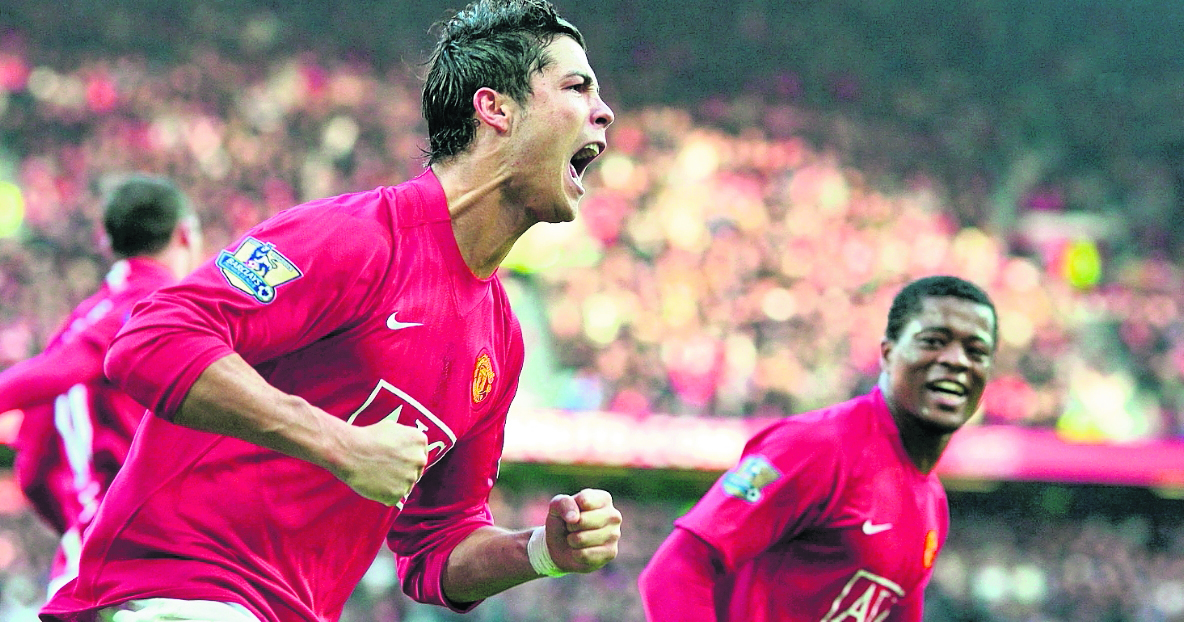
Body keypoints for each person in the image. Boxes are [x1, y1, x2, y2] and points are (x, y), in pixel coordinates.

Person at [40, 1, 619, 621]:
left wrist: (541, 552)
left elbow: (436, 545)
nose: (604, 111)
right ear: (495, 109)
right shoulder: (356, 237)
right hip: (176, 593)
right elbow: (152, 339)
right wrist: (340, 445)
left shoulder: (500, 342)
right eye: (576, 86)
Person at [638, 275, 998, 622]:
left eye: (976, 351)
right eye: (933, 341)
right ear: (887, 354)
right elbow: (674, 570)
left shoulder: (932, 504)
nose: (957, 360)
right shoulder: (817, 447)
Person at [0, 175, 202, 597]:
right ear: (185, 234)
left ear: (106, 242)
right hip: (143, 558)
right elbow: (58, 372)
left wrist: (76, 525)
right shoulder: (159, 307)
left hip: (85, 560)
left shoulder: (82, 319)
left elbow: (33, 466)